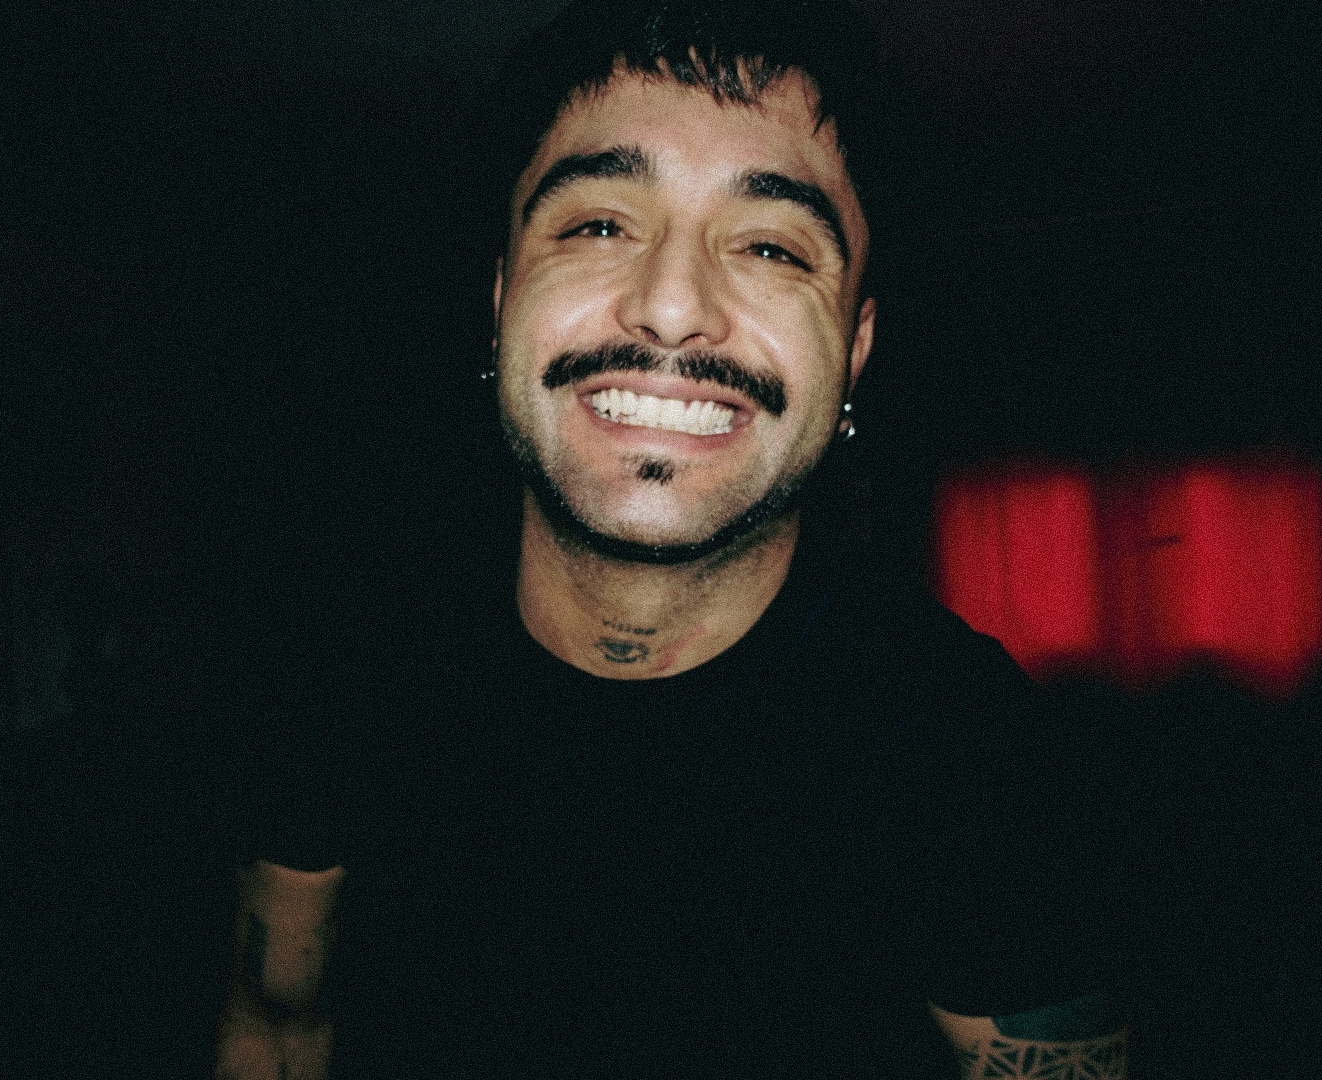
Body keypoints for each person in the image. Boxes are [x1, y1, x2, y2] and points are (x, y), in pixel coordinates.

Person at [209, 1, 1133, 1077]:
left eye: (772, 246)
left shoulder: (971, 756)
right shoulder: (342, 663)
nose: (671, 306)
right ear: (502, 301)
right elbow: (275, 1018)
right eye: (598, 225)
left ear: (853, 350)